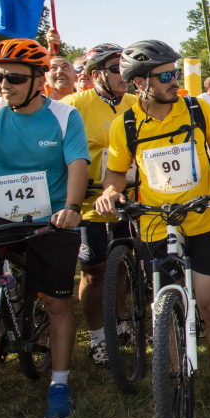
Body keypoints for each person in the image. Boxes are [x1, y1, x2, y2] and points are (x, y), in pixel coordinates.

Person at [94, 40, 210, 418]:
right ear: (140, 83)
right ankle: (177, 375)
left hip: (202, 218)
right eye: (165, 76)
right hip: (156, 224)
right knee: (169, 304)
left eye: (175, 72)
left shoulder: (197, 107)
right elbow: (115, 174)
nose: (174, 80)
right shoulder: (125, 125)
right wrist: (110, 193)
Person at [0, 38, 89, 418]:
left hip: (51, 220)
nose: (3, 85)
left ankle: (59, 382)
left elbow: (77, 163)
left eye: (13, 77)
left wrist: (73, 208)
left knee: (58, 304)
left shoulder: (63, 116)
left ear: (39, 80)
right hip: (3, 218)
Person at [62, 43, 137, 366]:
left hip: (133, 199)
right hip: (91, 201)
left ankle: (120, 321)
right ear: (96, 76)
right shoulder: (72, 106)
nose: (126, 75)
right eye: (117, 68)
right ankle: (97, 337)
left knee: (123, 264)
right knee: (94, 270)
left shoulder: (137, 103)